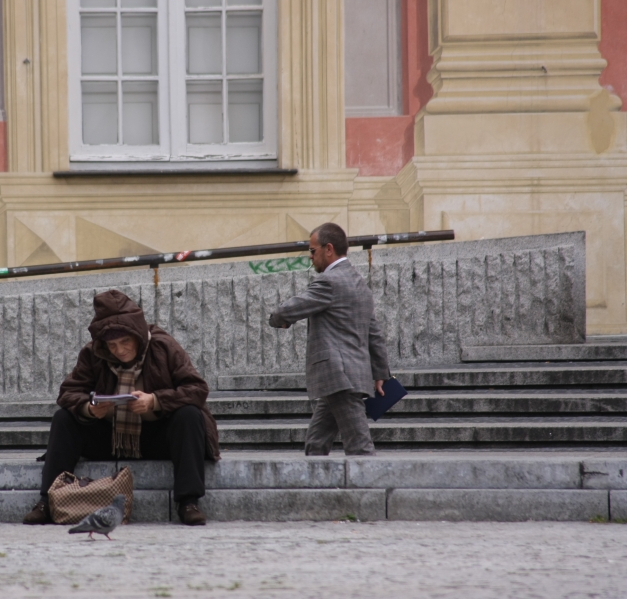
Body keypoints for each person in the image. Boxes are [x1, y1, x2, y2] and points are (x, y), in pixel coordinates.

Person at [23, 289, 220, 526]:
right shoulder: (93, 353)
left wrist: (155, 401)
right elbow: (68, 393)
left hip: (157, 436)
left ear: (138, 335)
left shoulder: (164, 347)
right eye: (112, 345)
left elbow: (197, 389)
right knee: (63, 418)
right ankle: (47, 501)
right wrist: (89, 408)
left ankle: (188, 502)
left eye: (125, 341)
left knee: (189, 415)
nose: (119, 350)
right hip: (110, 437)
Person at [267, 222, 390, 456]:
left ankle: (373, 490)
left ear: (329, 249)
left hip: (339, 377)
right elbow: (373, 332)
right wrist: (380, 372)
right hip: (349, 376)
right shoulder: (358, 282)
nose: (310, 257)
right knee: (316, 443)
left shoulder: (328, 282)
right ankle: (316, 489)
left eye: (313, 251)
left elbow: (288, 310)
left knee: (359, 447)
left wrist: (276, 319)